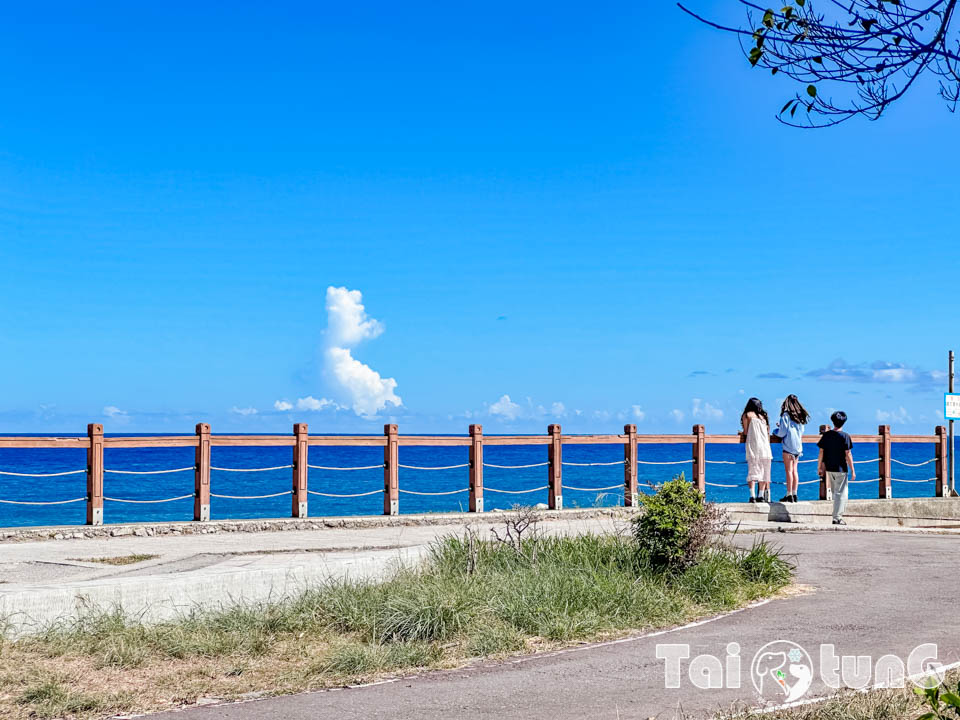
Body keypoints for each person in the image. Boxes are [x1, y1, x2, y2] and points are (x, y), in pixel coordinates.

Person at [817, 411, 855, 525]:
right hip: (841, 468)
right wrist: (853, 469)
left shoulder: (826, 435)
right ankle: (837, 517)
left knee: (835, 492)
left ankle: (837, 516)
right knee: (841, 494)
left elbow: (821, 452)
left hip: (829, 468)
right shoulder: (845, 436)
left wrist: (819, 467)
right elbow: (848, 454)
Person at [772, 394, 810, 503]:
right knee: (795, 471)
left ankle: (789, 494)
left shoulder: (785, 415)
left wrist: (776, 430)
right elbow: (800, 431)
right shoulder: (800, 416)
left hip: (788, 446)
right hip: (798, 447)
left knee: (788, 471)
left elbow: (782, 432)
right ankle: (795, 493)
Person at [741, 397, 772, 503]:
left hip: (754, 446)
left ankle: (752, 495)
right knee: (764, 472)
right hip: (766, 447)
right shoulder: (763, 417)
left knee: (752, 471)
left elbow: (745, 432)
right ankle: (761, 496)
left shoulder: (747, 415)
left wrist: (741, 433)